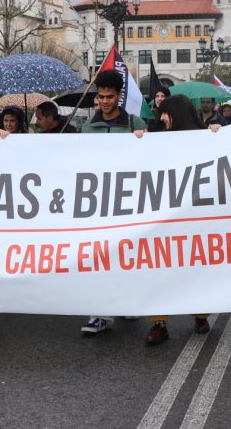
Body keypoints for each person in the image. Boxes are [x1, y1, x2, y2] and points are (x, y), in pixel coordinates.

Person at [144, 94, 216, 345]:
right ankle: (159, 322)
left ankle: (200, 314)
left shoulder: (204, 137)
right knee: (159, 269)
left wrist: (218, 134)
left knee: (193, 269)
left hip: (194, 218)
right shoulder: (157, 138)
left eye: (166, 112)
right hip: (163, 218)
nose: (161, 117)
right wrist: (138, 142)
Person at [80, 70, 145, 334]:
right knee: (98, 259)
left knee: (126, 256)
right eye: (101, 96)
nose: (104, 101)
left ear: (119, 96)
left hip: (128, 204)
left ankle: (128, 301)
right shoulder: (87, 127)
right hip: (97, 205)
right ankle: (99, 313)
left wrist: (144, 142)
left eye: (110, 96)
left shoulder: (135, 123)